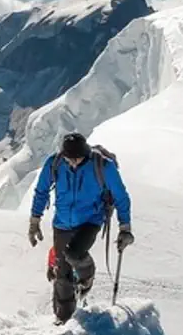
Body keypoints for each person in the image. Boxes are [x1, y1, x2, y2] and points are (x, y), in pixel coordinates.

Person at [29, 132, 134, 323]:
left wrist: (125, 227)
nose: (74, 163)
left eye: (78, 159)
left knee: (74, 254)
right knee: (62, 274)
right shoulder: (55, 163)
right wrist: (34, 220)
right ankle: (64, 318)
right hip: (62, 222)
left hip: (90, 220)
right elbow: (41, 191)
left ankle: (88, 274)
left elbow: (121, 196)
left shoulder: (102, 166)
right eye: (70, 159)